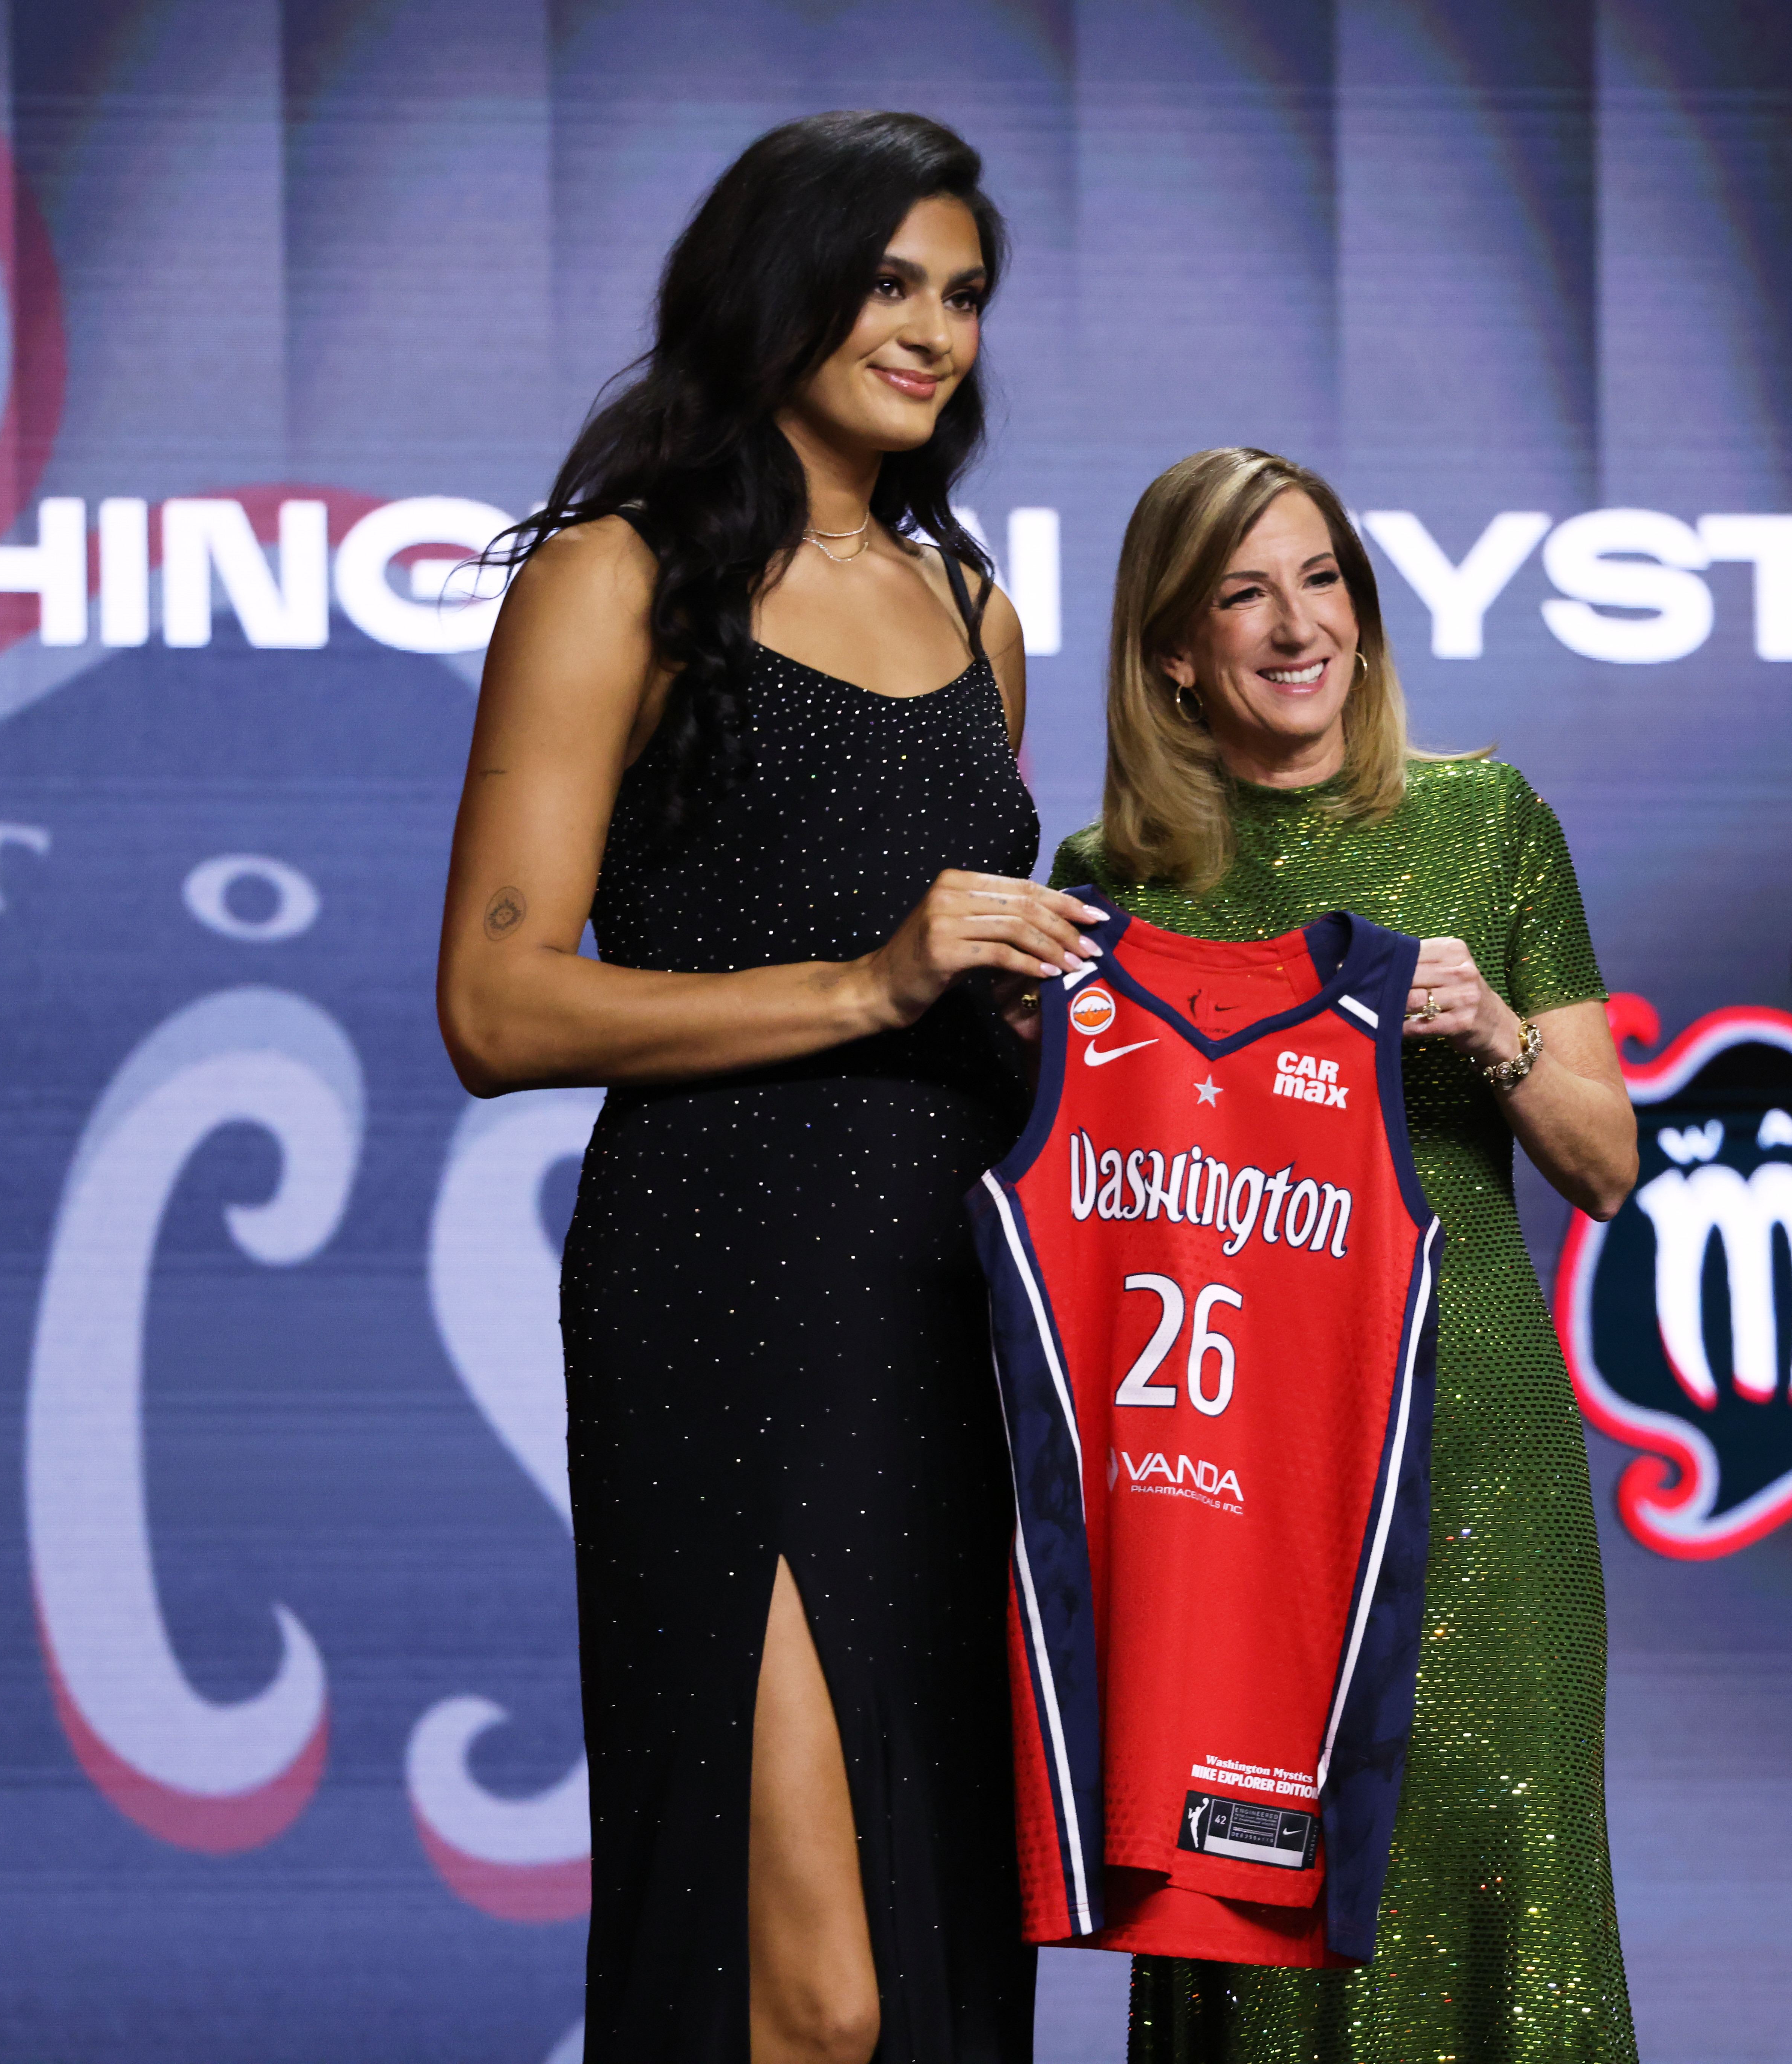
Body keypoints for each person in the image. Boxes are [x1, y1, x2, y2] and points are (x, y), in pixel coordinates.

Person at [436, 111, 1098, 2064]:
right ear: (772, 284)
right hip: (723, 1288)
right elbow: (494, 1004)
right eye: (889, 282)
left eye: (962, 294)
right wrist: (865, 981)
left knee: (934, 1954)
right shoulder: (617, 575)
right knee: (806, 1986)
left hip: (950, 1309)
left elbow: (973, 993)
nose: (934, 332)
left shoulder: (973, 609)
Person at [1050, 448, 1642, 2062]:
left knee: (1504, 1874)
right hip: (1229, 1469)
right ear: (1175, 652)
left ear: (1365, 619)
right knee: (1250, 1885)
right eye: (1242, 594)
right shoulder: (1106, 884)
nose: (1295, 624)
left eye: (1321, 581)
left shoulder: (1486, 821)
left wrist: (1500, 1034)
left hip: (1474, 1456)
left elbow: (1606, 1168)